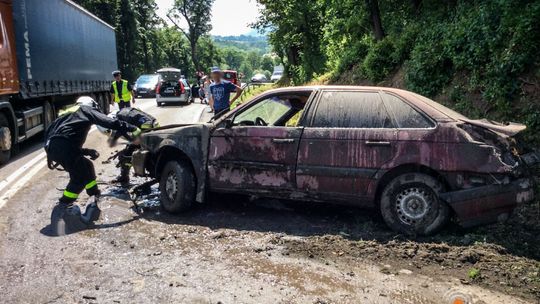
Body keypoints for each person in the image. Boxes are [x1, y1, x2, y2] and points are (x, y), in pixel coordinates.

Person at [45, 96, 140, 235]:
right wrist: (131, 128)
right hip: (65, 146)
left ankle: (94, 195)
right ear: (91, 104)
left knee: (86, 165)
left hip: (53, 148)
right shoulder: (85, 109)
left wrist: (86, 151)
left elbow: (60, 138)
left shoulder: (64, 114)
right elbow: (107, 121)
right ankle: (63, 206)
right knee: (79, 178)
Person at [98, 107, 159, 184]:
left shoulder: (121, 117)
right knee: (129, 153)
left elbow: (123, 130)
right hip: (152, 129)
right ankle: (125, 176)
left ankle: (125, 177)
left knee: (127, 155)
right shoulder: (124, 113)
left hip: (147, 131)